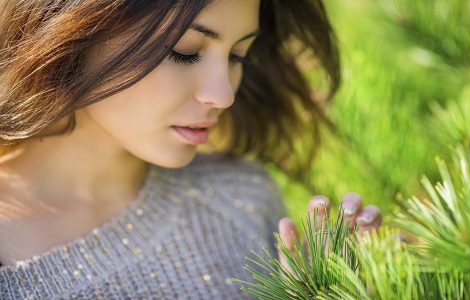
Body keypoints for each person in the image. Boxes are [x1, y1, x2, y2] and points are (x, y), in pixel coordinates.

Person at [0, 0, 382, 299]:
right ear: (76, 29)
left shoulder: (240, 200)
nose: (223, 94)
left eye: (238, 56)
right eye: (184, 51)